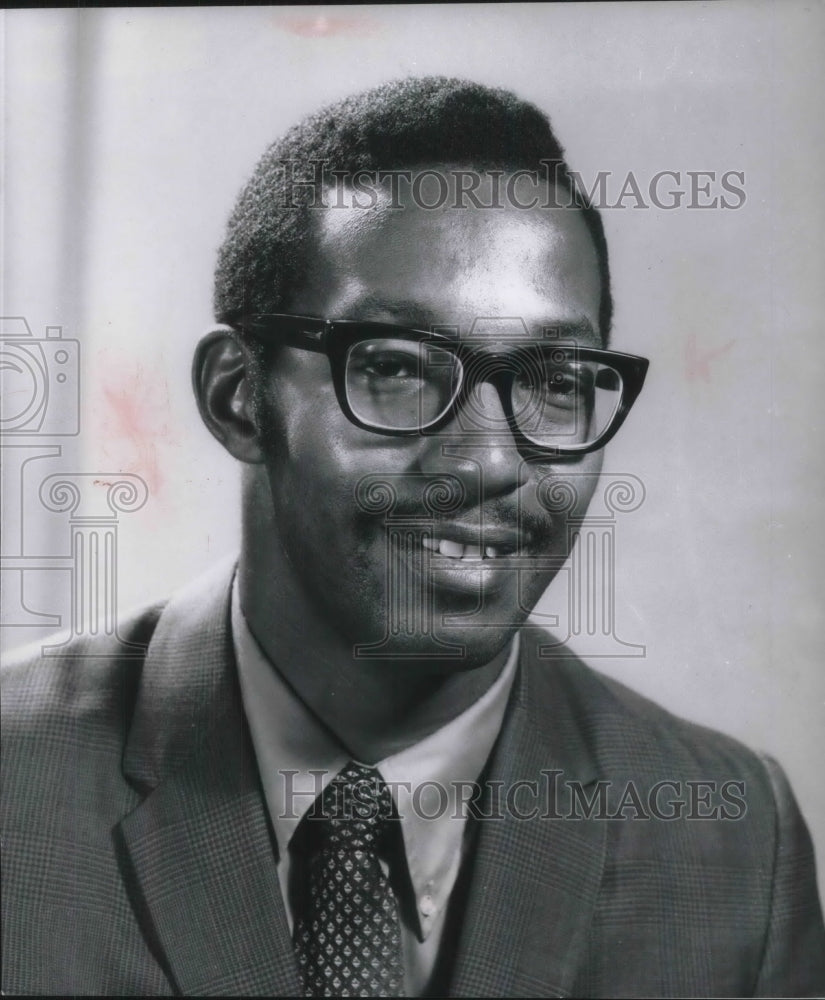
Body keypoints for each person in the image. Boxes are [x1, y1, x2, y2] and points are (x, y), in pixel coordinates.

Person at [2, 77, 823, 998]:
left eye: (555, 381)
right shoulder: (14, 786)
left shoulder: (733, 846)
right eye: (395, 368)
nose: (487, 462)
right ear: (239, 396)